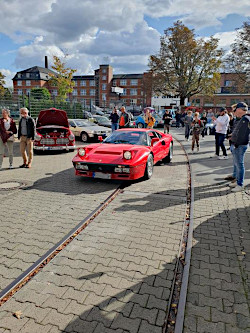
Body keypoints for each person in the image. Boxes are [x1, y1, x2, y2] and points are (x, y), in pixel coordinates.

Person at [227, 102, 249, 192]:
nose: (235, 111)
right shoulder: (244, 119)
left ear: (240, 109)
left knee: (240, 165)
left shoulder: (245, 119)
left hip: (240, 145)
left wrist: (235, 143)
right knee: (238, 164)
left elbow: (242, 135)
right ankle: (238, 182)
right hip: (238, 145)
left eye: (236, 110)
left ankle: (240, 184)